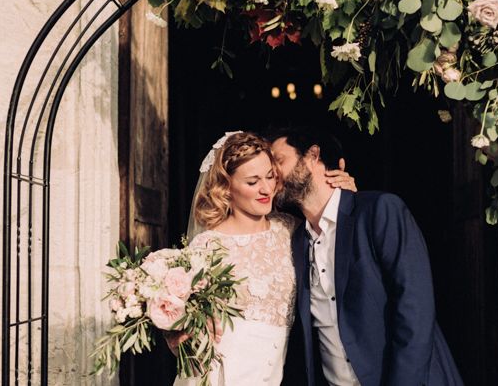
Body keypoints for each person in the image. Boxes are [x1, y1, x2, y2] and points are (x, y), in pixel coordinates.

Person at [270, 127, 464, 386]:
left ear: (312, 156)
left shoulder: (379, 211)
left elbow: (415, 309)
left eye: (279, 161)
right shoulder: (294, 239)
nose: (272, 173)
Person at [169, 131, 354, 386]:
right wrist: (174, 332)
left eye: (270, 177)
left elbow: (336, 234)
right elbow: (174, 315)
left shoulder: (292, 231)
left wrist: (344, 193)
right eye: (252, 181)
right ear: (226, 186)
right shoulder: (207, 247)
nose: (266, 189)